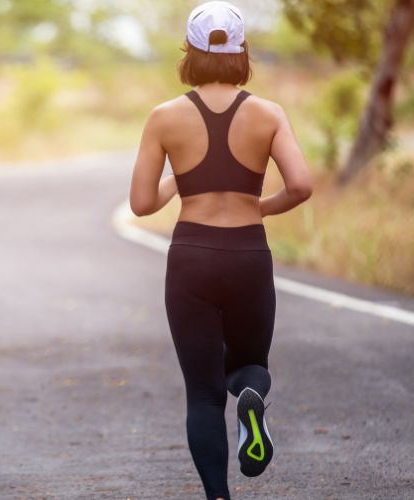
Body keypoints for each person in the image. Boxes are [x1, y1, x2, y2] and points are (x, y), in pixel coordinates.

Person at [128, 2, 314, 499]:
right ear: (241, 51)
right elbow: (301, 185)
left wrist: (179, 177)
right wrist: (261, 209)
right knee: (250, 364)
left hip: (191, 256)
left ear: (189, 52)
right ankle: (251, 398)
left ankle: (218, 497)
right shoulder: (268, 114)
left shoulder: (165, 117)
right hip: (248, 254)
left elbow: (142, 204)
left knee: (203, 394)